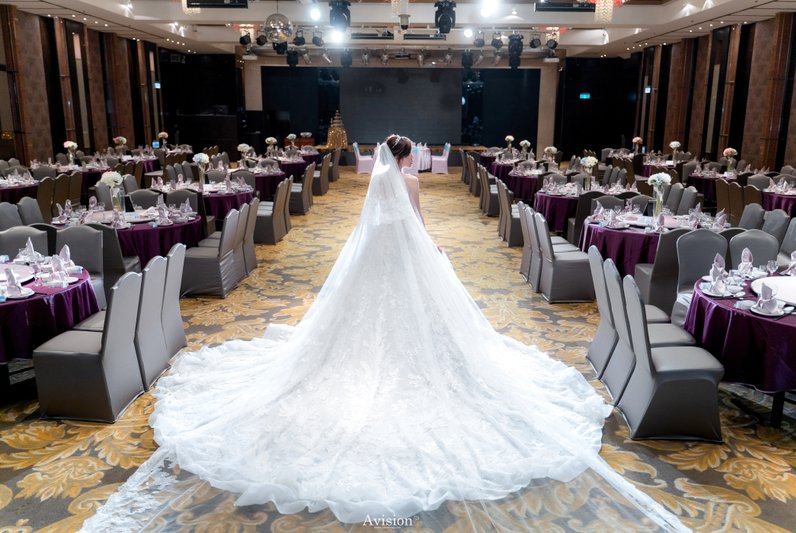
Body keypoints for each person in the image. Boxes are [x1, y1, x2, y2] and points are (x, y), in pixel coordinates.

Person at [81, 136, 687, 532]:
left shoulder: (376, 182)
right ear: (407, 159)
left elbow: (372, 226)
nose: (413, 162)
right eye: (412, 156)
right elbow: (417, 225)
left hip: (372, 257)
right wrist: (435, 249)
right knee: (423, 321)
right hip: (405, 256)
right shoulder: (412, 183)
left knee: (357, 322)